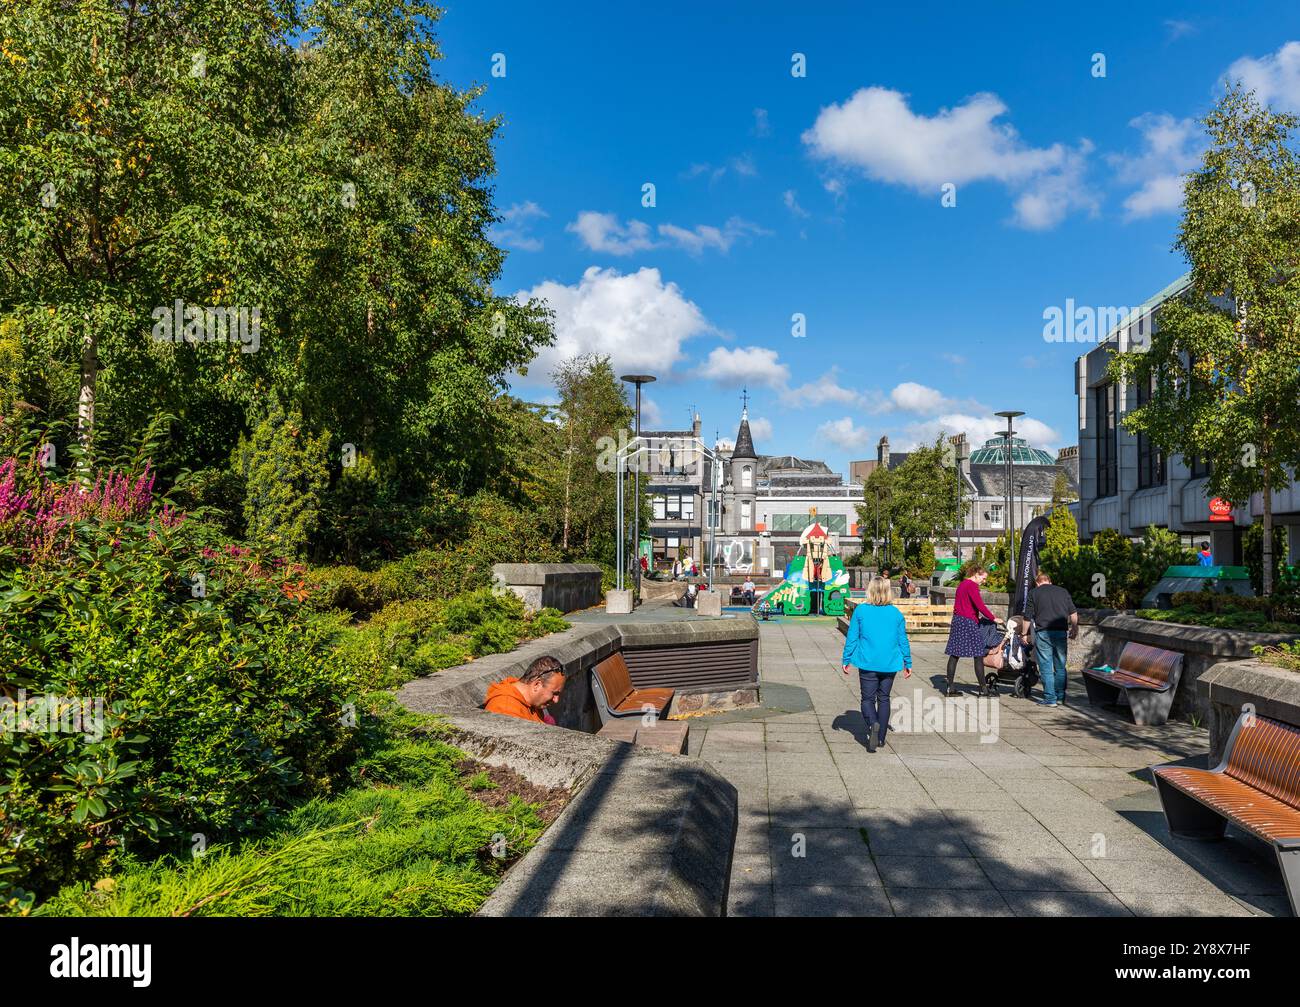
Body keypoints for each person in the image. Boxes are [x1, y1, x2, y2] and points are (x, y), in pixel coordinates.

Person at [841, 576, 912, 752]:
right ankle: (881, 739)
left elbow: (852, 637)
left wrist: (846, 659)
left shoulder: (861, 611)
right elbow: (903, 639)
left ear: (870, 591)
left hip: (868, 662)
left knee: (867, 699)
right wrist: (907, 661)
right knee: (884, 698)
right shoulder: (895, 613)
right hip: (890, 663)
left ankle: (873, 724)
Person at [1020, 571, 1078, 707]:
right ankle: (1060, 697)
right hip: (1061, 632)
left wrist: (1023, 634)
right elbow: (1073, 612)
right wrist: (1075, 628)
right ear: (1050, 581)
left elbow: (1027, 617)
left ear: (1037, 583)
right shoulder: (1063, 591)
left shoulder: (1034, 593)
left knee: (1046, 666)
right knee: (1060, 666)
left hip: (1044, 633)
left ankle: (1050, 699)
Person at [944, 565, 1002, 696]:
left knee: (954, 654)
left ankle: (950, 688)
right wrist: (993, 618)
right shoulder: (972, 586)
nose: (984, 581)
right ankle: (984, 690)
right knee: (978, 655)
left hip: (958, 620)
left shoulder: (962, 584)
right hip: (968, 622)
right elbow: (979, 605)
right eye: (983, 578)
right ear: (976, 574)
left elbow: (966, 604)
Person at [484, 656, 565, 724]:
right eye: (555, 693)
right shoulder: (505, 710)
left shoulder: (534, 702)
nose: (556, 700)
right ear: (537, 685)